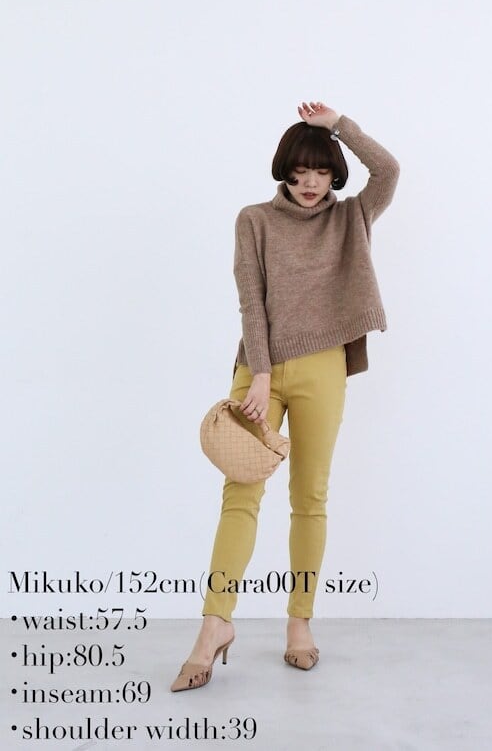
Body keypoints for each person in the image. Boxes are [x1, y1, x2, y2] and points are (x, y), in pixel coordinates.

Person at [170, 101, 400, 691]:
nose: (309, 183)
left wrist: (339, 126)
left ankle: (300, 623)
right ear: (284, 173)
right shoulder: (254, 221)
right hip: (260, 369)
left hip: (324, 368)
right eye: (298, 173)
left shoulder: (351, 218)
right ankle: (215, 624)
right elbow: (251, 301)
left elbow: (389, 171)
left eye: (319, 171)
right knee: (241, 491)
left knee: (309, 497)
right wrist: (262, 374)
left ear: (333, 173)